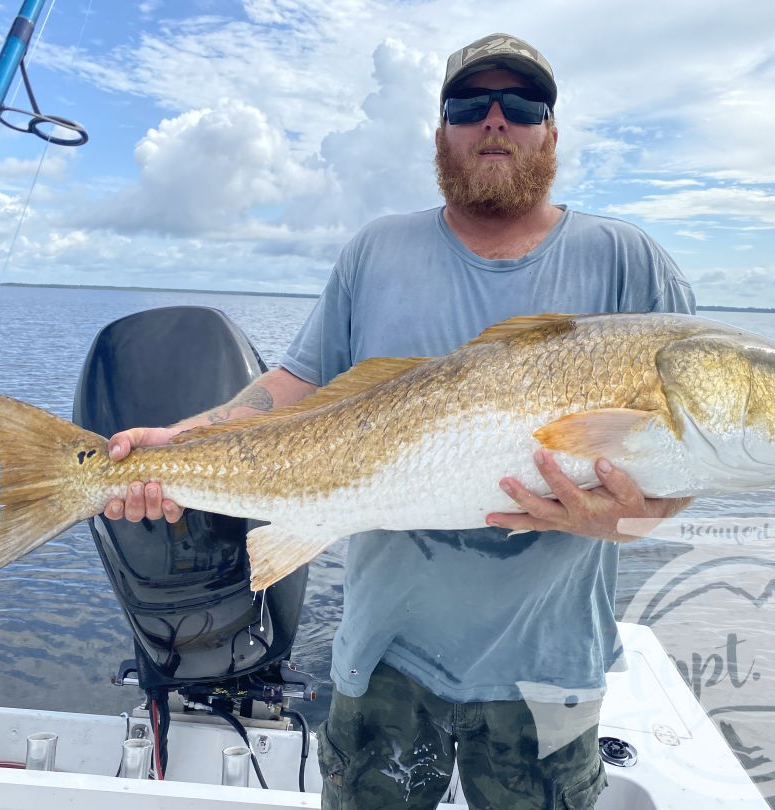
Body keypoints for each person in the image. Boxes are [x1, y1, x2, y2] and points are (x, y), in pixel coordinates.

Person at [105, 33, 695, 809]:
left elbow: (687, 452)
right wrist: (181, 442)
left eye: (522, 106)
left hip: (551, 659)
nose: (495, 121)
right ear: (440, 130)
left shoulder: (628, 260)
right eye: (468, 105)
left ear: (551, 132)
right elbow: (294, 386)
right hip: (385, 655)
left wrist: (640, 515)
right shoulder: (375, 251)